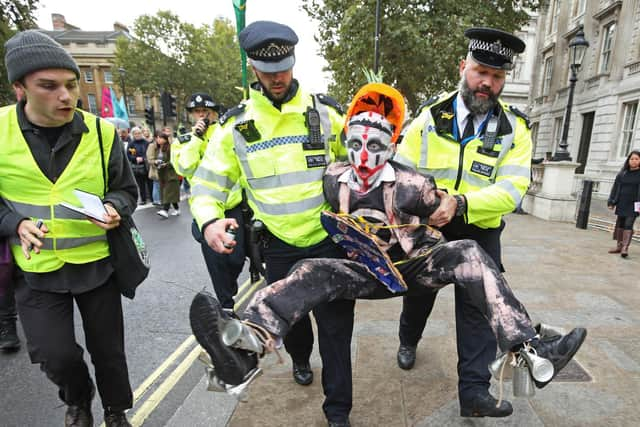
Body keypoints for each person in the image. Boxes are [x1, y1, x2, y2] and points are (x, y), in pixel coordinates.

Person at [188, 83, 587, 424]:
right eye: (356, 144)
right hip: (362, 272)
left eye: (376, 146)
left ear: (392, 145)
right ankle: (244, 348)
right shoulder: (331, 179)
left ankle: (531, 352)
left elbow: (445, 214)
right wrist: (216, 218)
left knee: (469, 251)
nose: (363, 156)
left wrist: (441, 219)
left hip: (412, 267)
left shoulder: (414, 184)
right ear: (345, 144)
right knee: (310, 268)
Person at [189, 20, 353, 426]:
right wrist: (210, 221)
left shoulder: (326, 113)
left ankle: (338, 413)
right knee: (294, 326)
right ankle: (299, 358)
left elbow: (361, 165)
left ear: (294, 62)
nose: (277, 76)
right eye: (267, 69)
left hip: (329, 242)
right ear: (252, 68)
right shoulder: (234, 127)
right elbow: (206, 186)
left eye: (283, 66)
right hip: (278, 248)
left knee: (336, 335)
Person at [0, 30, 138, 426]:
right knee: (55, 355)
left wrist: (115, 207)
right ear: (19, 89)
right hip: (37, 271)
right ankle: (78, 399)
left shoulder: (101, 132)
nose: (66, 96)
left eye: (72, 85)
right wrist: (15, 223)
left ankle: (116, 410)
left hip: (97, 266)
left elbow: (126, 190)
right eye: (49, 86)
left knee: (109, 351)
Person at [393, 27, 533, 417]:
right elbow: (403, 171)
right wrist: (424, 205)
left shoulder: (515, 130)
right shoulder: (428, 117)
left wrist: (462, 202)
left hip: (479, 229)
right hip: (430, 228)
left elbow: (513, 188)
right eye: (480, 71)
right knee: (417, 296)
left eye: (497, 76)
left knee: (477, 309)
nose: (487, 83)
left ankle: (474, 392)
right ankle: (408, 339)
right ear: (463, 67)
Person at [172, 92, 246, 311]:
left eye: (206, 111)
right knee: (216, 260)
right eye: (197, 112)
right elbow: (185, 167)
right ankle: (226, 306)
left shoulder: (226, 133)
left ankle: (228, 288)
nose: (202, 115)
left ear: (214, 112)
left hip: (232, 206)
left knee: (236, 258)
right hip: (206, 212)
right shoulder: (184, 141)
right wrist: (196, 139)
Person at [607, 149, 640, 258]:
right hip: (622, 202)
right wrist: (611, 201)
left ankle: (625, 247)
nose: (634, 161)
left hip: (634, 204)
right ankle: (619, 246)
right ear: (628, 160)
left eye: (636, 159)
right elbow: (615, 188)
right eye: (632, 159)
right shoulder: (622, 174)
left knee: (628, 224)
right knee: (620, 224)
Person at [149, 131, 180, 218]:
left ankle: (165, 210)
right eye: (157, 138)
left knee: (168, 192)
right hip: (162, 174)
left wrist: (165, 164)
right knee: (170, 193)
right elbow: (151, 159)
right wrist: (156, 162)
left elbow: (174, 160)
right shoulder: (157, 149)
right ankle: (177, 209)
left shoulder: (170, 148)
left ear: (165, 139)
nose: (158, 139)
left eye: (160, 138)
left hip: (171, 174)